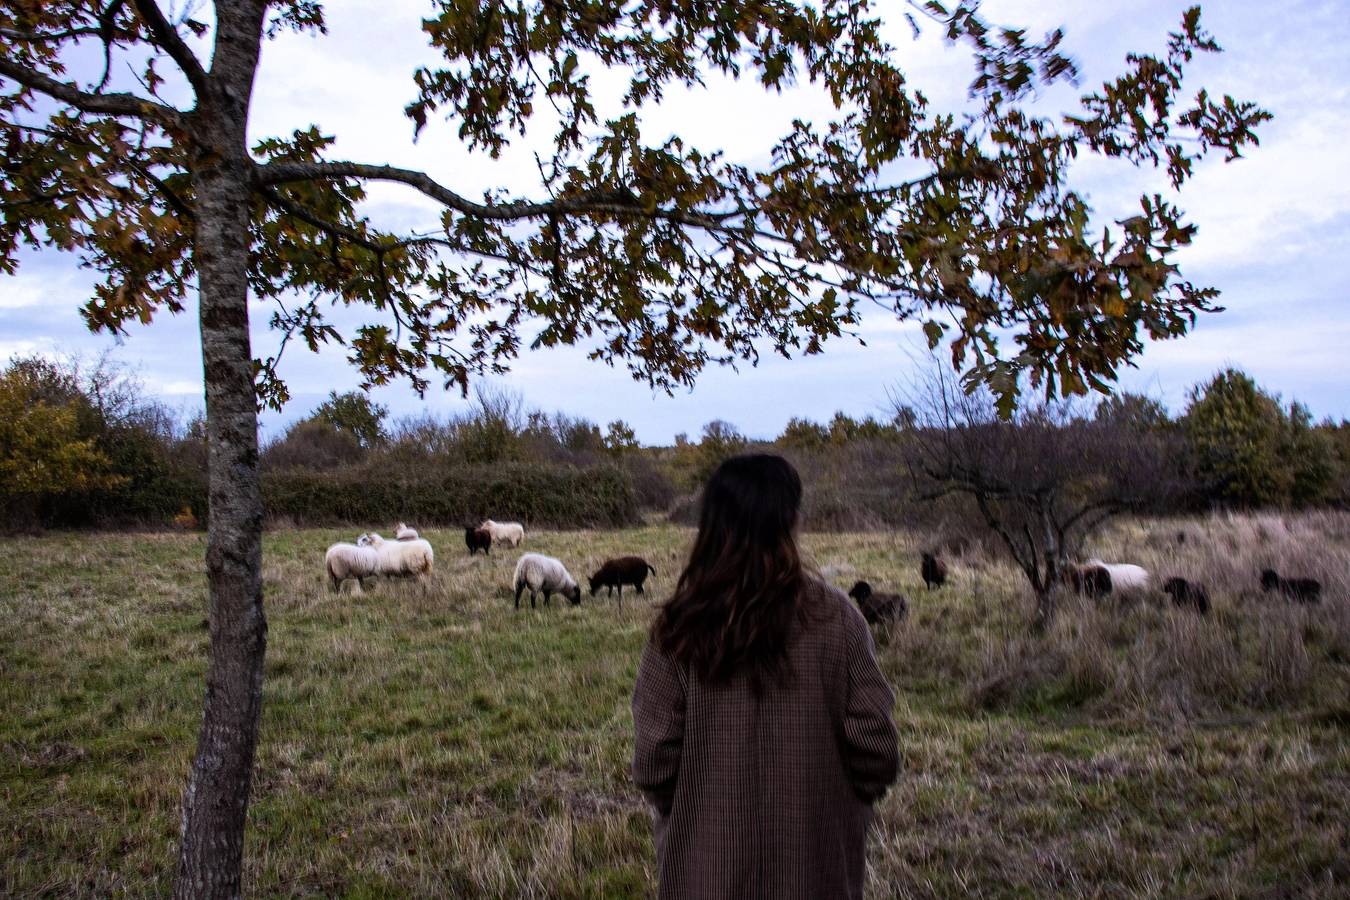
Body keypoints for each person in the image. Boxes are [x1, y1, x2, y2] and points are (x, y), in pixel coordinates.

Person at [632, 453, 899, 899]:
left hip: (705, 875)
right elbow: (876, 748)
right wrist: (842, 807)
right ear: (793, 520)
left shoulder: (676, 629)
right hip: (816, 873)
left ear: (711, 526)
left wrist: (694, 816)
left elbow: (654, 760)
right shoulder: (841, 620)